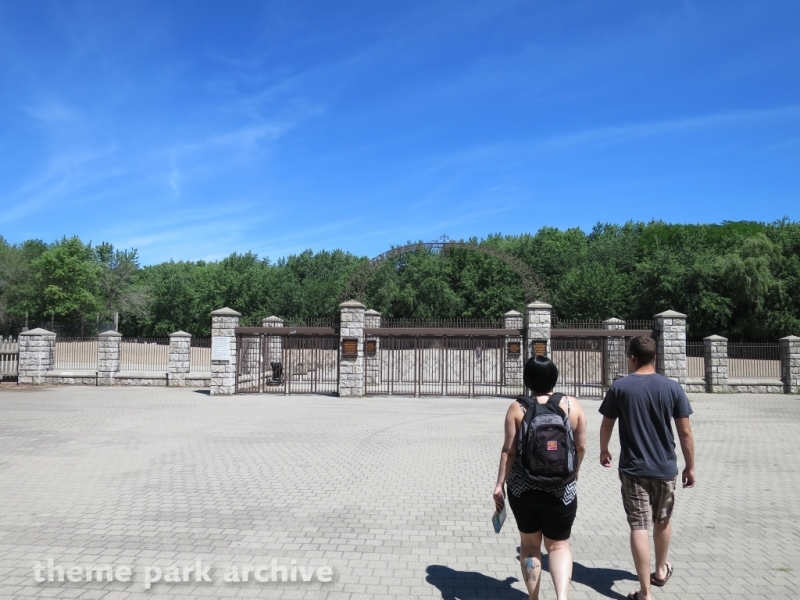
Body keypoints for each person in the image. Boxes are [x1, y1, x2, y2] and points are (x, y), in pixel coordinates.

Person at [598, 335, 695, 600]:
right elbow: (685, 433)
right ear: (655, 357)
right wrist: (690, 466)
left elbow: (606, 424)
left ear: (632, 357)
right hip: (665, 468)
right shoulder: (672, 388)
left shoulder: (620, 387)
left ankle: (645, 592)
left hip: (633, 469)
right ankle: (661, 571)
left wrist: (604, 449)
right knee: (663, 520)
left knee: (639, 525)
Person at [493, 356, 587, 600]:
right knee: (559, 546)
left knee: (530, 544)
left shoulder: (518, 407)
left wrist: (499, 484)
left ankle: (533, 598)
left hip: (524, 489)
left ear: (527, 379)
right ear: (554, 377)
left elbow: (509, 451)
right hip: (562, 489)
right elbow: (581, 446)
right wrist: (574, 471)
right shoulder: (572, 405)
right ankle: (562, 598)